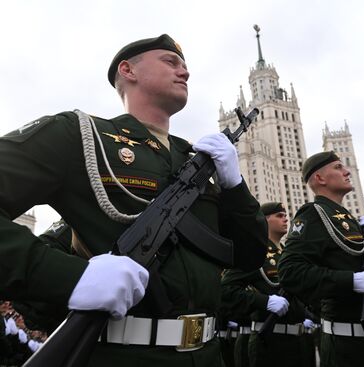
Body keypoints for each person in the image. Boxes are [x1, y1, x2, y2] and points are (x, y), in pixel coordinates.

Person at [0, 34, 267, 366]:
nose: (184, 72)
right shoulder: (82, 136)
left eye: (185, 66)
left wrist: (234, 185)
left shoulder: (197, 160)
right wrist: (71, 277)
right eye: (171, 62)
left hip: (209, 354)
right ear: (128, 70)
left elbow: (249, 255)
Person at [278, 151, 364, 367]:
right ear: (320, 179)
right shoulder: (313, 214)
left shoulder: (349, 219)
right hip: (347, 346)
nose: (347, 171)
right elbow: (290, 272)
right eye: (338, 167)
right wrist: (350, 281)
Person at [221, 202, 308, 367]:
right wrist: (264, 301)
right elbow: (226, 290)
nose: (285, 219)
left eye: (285, 215)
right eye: (279, 216)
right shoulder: (254, 253)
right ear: (265, 220)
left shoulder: (288, 253)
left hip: (299, 340)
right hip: (269, 341)